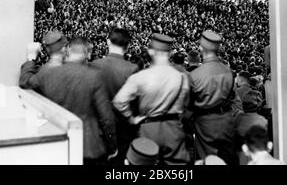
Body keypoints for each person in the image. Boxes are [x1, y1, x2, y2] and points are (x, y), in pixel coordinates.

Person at [19, 38, 117, 164]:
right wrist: (112, 146)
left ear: (68, 51)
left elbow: (25, 82)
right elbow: (107, 118)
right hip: (89, 147)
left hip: (58, 143)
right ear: (87, 53)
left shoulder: (48, 73)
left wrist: (31, 57)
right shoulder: (94, 76)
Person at [113, 33, 190, 165]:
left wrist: (131, 118)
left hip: (148, 127)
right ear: (170, 53)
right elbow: (185, 106)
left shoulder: (140, 77)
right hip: (174, 129)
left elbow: (119, 101)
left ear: (151, 51)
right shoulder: (182, 78)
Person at [90, 27, 139, 164]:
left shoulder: (93, 65)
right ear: (128, 46)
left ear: (107, 42)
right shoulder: (132, 69)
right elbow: (135, 104)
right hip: (122, 130)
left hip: (98, 130)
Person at [190, 30, 237, 165]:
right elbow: (232, 96)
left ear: (201, 48)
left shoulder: (195, 75)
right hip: (227, 120)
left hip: (205, 124)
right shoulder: (228, 70)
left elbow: (189, 104)